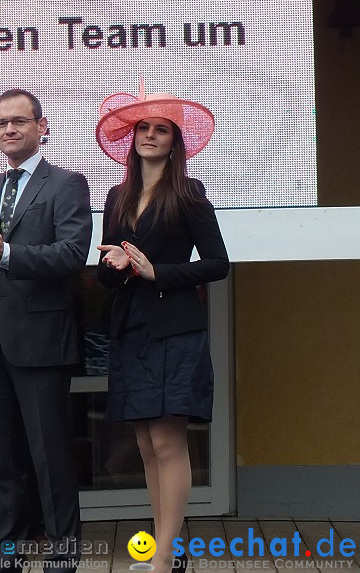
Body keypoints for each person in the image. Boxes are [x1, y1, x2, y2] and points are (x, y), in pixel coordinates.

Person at [0, 89, 92, 572]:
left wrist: (5, 254)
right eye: (1, 124)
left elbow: (72, 255)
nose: (9, 130)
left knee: (49, 454)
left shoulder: (66, 184)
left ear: (41, 126)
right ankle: (3, 547)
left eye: (19, 122)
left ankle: (62, 548)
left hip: (41, 342)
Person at [94, 87, 229, 572]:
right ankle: (166, 556)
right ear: (132, 140)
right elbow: (107, 275)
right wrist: (113, 264)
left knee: (169, 442)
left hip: (175, 328)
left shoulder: (189, 194)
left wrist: (157, 273)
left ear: (175, 143)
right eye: (143, 129)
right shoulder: (116, 196)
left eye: (161, 130)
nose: (150, 136)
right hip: (130, 328)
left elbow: (218, 264)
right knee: (147, 444)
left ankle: (164, 560)